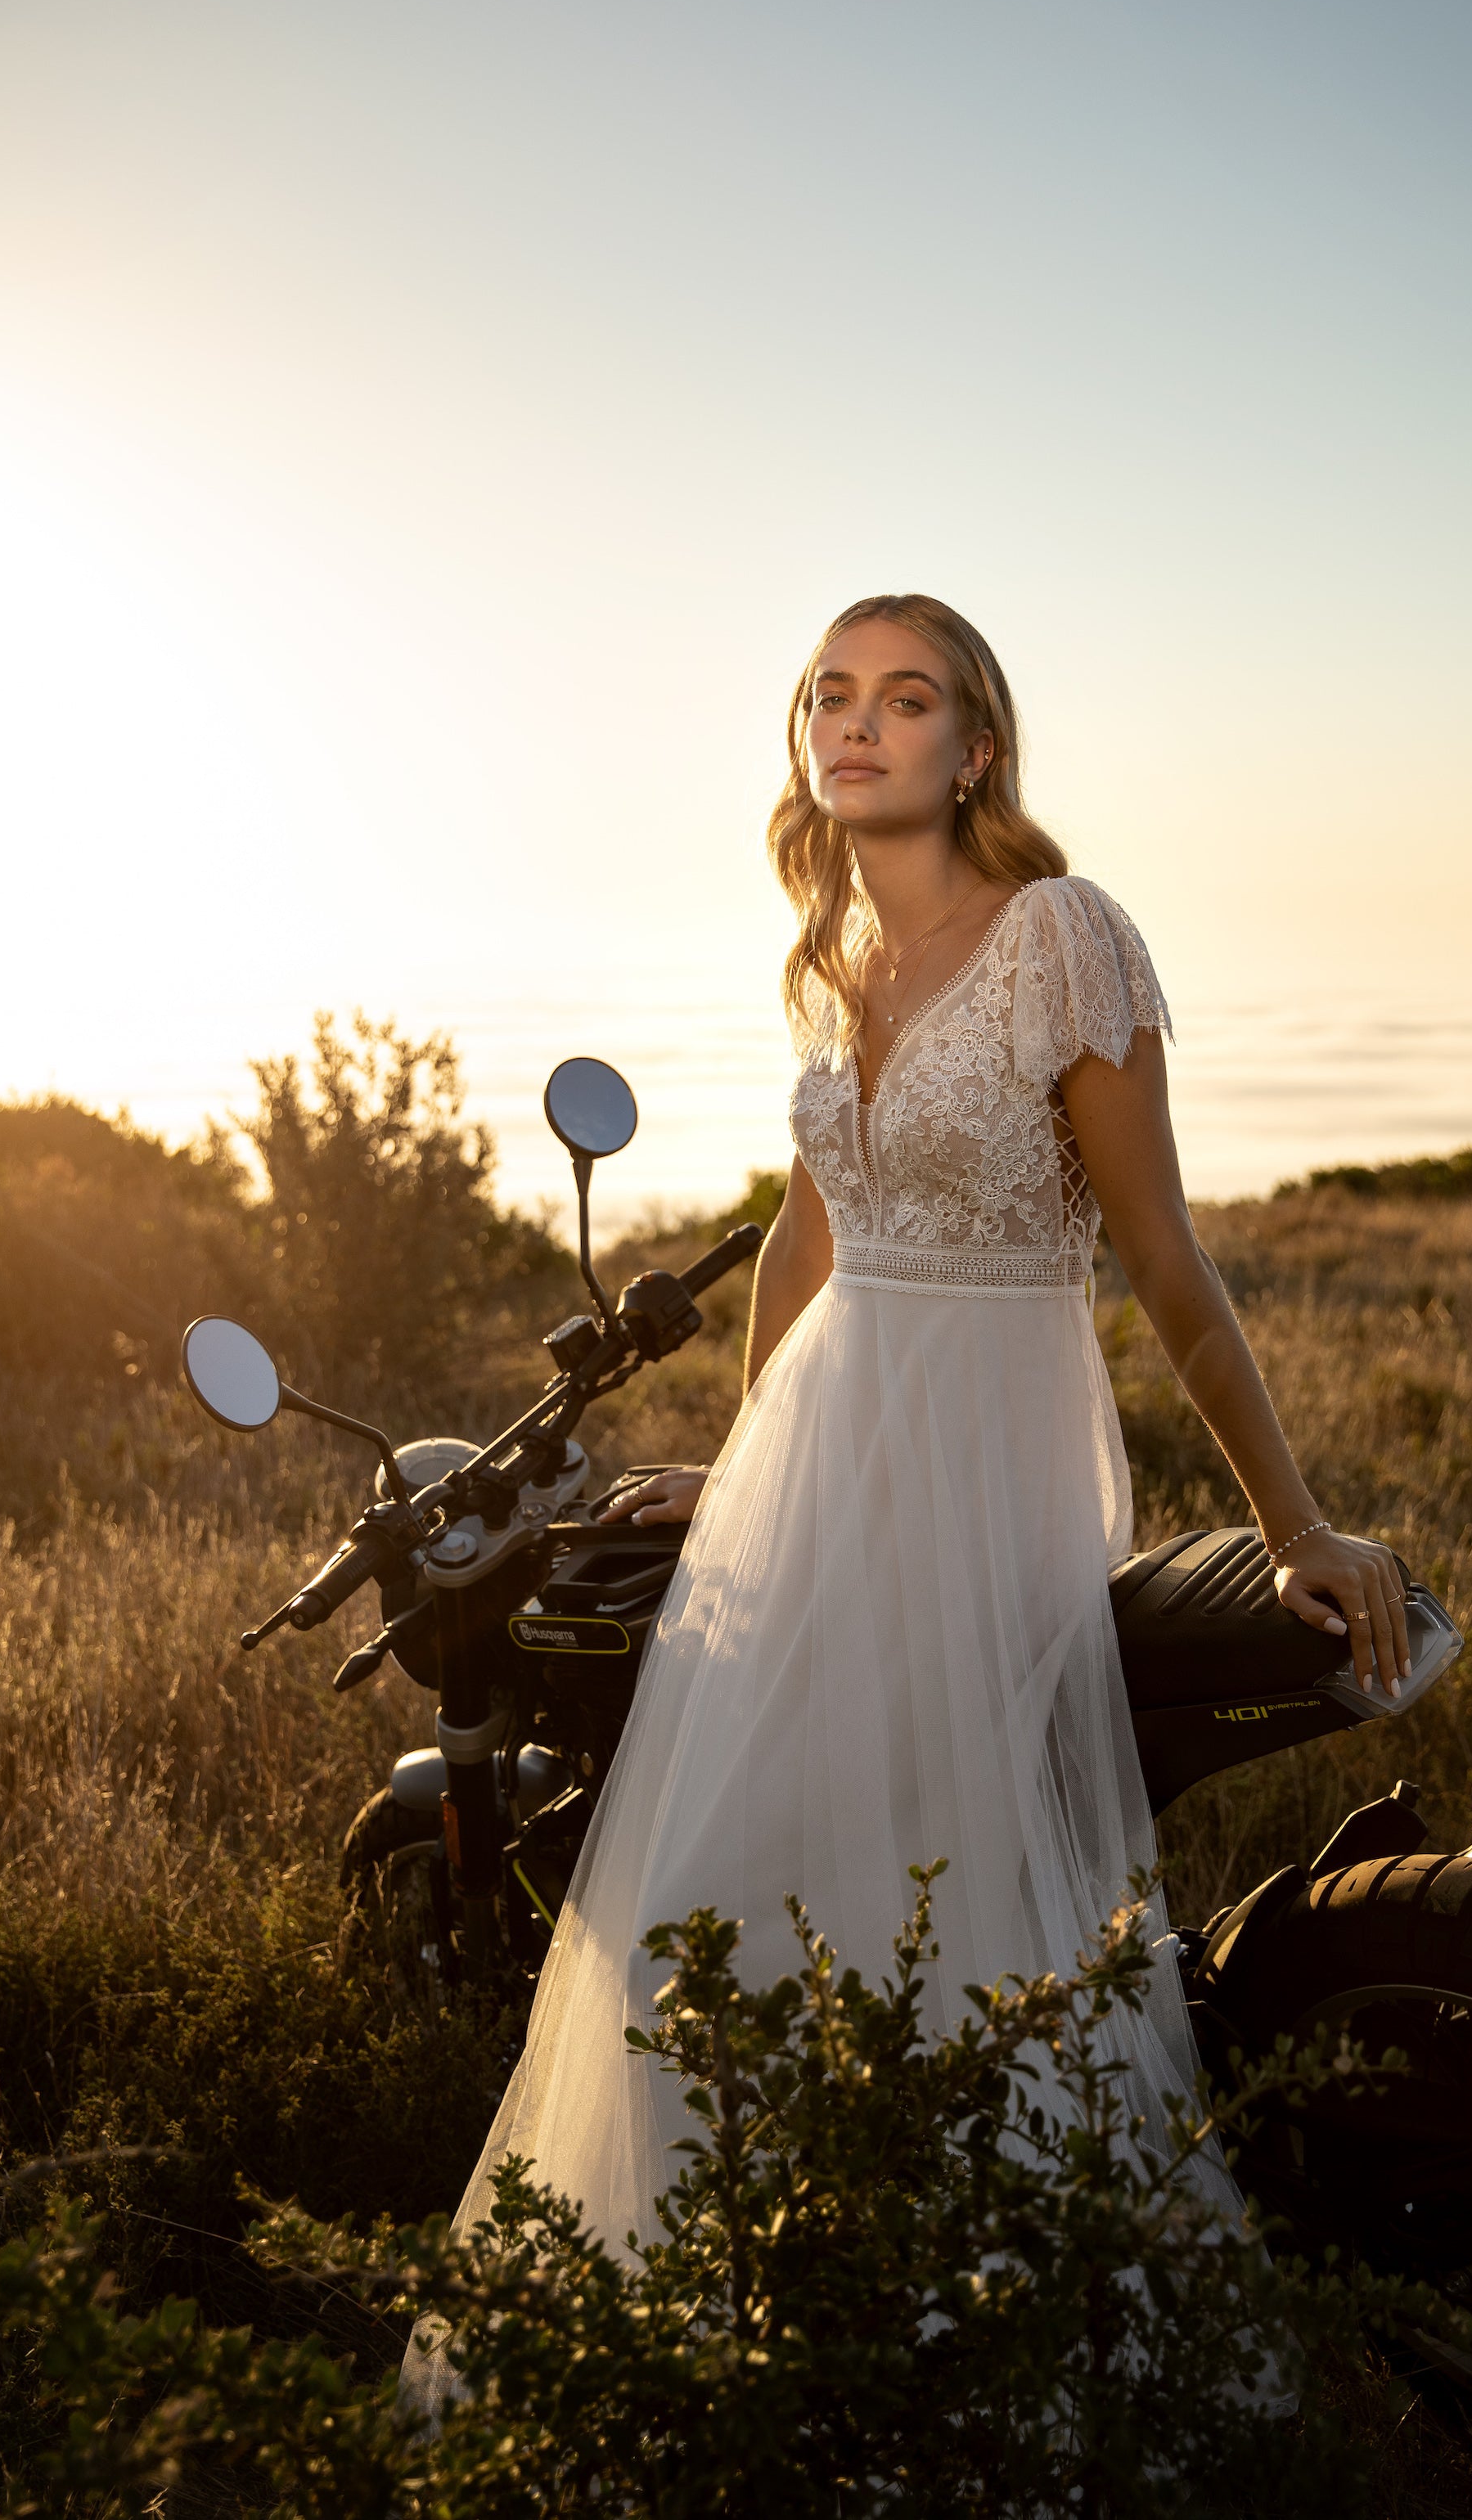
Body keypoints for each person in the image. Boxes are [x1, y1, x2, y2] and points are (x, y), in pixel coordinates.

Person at [403, 592, 1411, 2402]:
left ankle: (1008, 2348)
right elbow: (816, 1226)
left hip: (981, 1448)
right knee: (733, 1880)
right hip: (822, 1451)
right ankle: (754, 2321)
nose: (858, 725)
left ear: (976, 745)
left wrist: (1293, 1522)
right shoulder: (831, 951)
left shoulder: (1060, 939)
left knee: (944, 1879)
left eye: (905, 697)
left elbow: (1166, 1256)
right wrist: (744, 1452)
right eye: (830, 698)